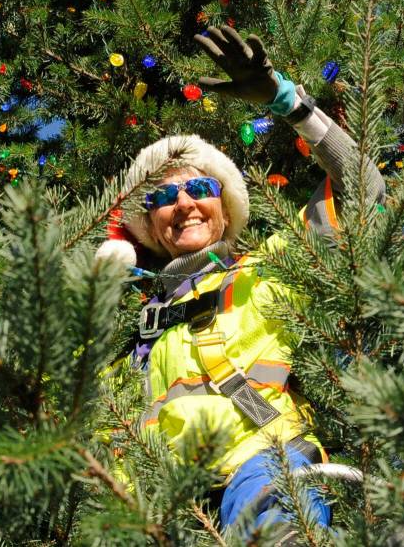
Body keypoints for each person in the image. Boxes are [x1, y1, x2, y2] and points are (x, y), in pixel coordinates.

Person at [95, 26, 385, 535]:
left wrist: (288, 102)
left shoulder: (273, 268)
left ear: (225, 209)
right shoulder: (127, 332)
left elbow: (365, 190)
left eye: (200, 188)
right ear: (151, 229)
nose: (183, 204)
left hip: (264, 469)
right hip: (160, 516)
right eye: (163, 198)